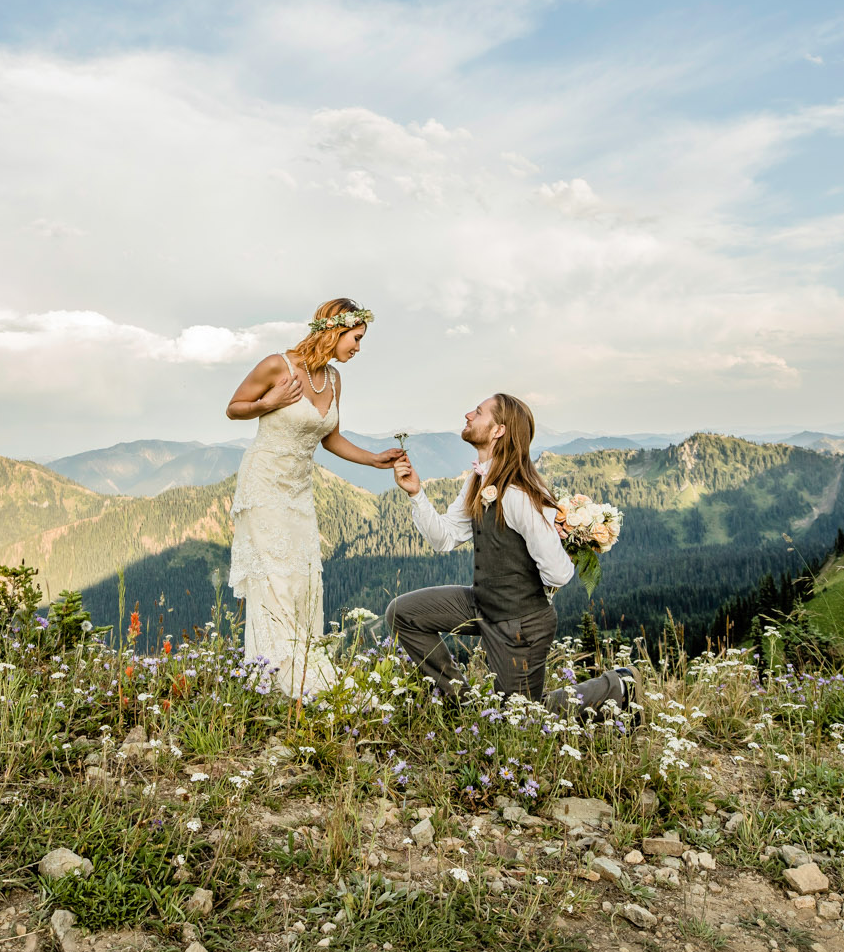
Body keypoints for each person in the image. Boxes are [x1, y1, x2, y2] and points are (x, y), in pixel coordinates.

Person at [387, 392, 632, 716]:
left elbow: (559, 573)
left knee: (520, 720)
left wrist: (523, 590)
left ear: (498, 430)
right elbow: (444, 538)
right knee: (402, 613)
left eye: (477, 412)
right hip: (483, 602)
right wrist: (417, 494)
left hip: (522, 620)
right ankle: (463, 707)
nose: (467, 415)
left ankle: (616, 687)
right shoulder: (477, 480)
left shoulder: (518, 494)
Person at [225, 298, 404, 696]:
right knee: (275, 579)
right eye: (355, 338)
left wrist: (374, 460)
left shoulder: (334, 380)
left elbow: (331, 438)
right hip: (264, 486)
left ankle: (297, 666)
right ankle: (277, 677)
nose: (357, 347)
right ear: (334, 331)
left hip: (299, 493)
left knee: (302, 579)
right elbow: (234, 408)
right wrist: (267, 404)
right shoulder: (278, 365)